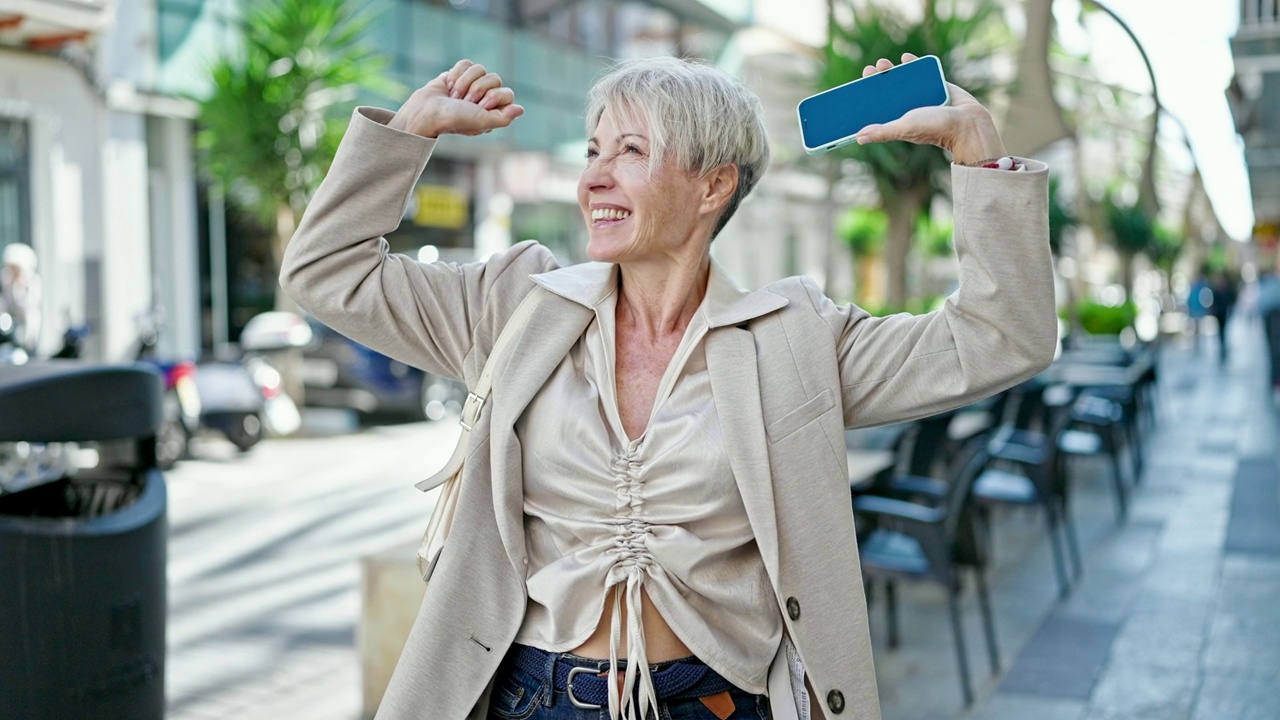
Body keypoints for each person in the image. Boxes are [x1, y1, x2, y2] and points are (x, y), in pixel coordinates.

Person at [280, 54, 1056, 720]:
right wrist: (407, 134)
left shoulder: (796, 340)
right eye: (592, 151)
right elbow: (327, 273)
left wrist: (977, 154)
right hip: (528, 696)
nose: (594, 178)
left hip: (714, 701)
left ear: (712, 185)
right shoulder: (515, 305)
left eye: (629, 150)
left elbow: (1000, 337)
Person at [0, 242, 42, 353]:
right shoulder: (5, 280)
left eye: (14, 268)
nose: (11, 271)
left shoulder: (32, 283)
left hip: (25, 331)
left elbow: (29, 311)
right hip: (7, 331)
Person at [1208, 268, 1238, 364]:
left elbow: (1232, 299)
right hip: (1218, 313)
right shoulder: (1216, 290)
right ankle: (1222, 345)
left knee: (1223, 330)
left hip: (1224, 312)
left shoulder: (1227, 289)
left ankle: (1223, 345)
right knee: (1220, 330)